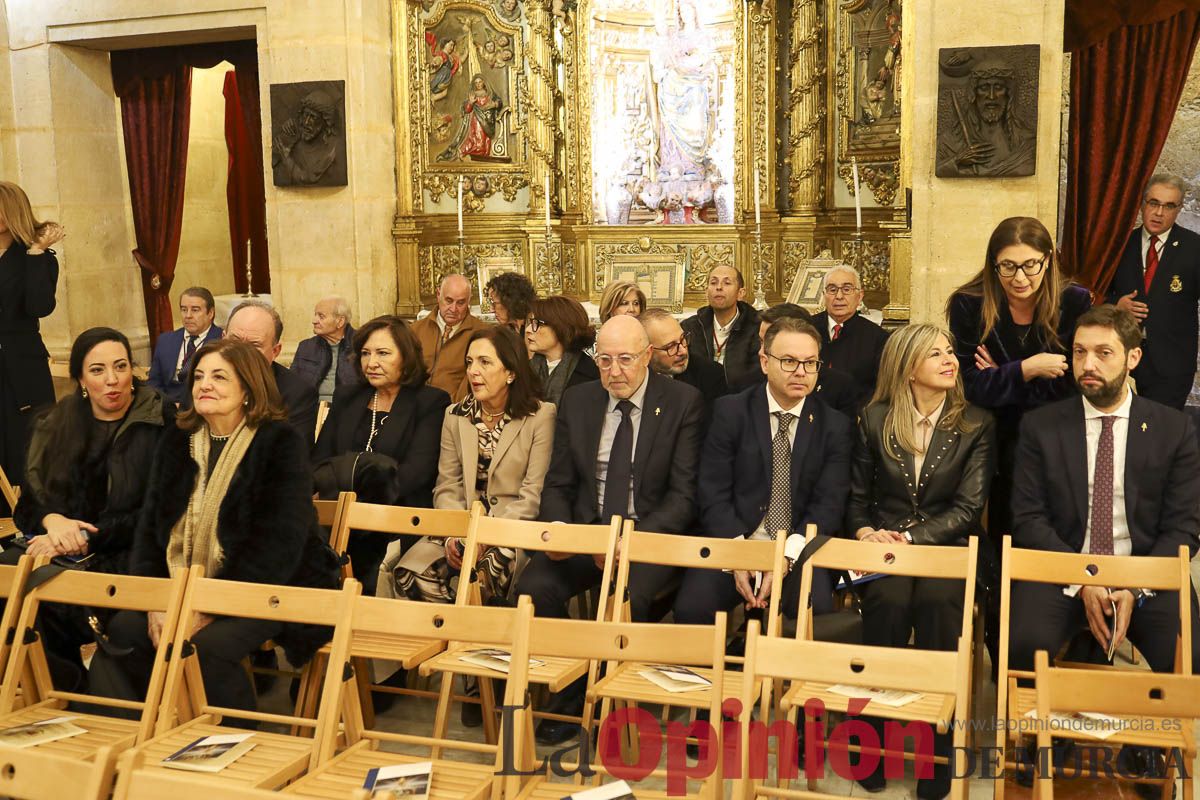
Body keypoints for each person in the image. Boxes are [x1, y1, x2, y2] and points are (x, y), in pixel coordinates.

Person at [90, 339, 339, 717]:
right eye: (199, 376)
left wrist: (207, 610)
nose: (205, 385)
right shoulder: (177, 438)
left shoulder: (278, 442)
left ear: (248, 390)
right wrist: (158, 603)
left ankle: (232, 750)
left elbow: (277, 546)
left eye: (220, 377)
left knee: (207, 646)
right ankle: (151, 737)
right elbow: (150, 528)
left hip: (266, 586)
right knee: (126, 629)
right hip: (181, 585)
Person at [1009, 306, 1200, 799]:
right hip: (1064, 569)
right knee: (1024, 638)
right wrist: (1086, 577)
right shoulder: (1041, 426)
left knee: (1190, 651)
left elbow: (1185, 526)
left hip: (1145, 574)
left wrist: (1135, 584)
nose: (1086, 364)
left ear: (1133, 357)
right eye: (1078, 352)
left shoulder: (1173, 429)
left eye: (1102, 353)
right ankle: (1045, 736)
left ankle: (1150, 742)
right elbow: (1028, 520)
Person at [517, 314, 704, 744]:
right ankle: (571, 685)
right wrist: (561, 529)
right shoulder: (579, 400)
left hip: (647, 537)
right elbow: (559, 483)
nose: (614, 371)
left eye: (624, 360)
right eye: (603, 360)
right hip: (588, 531)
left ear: (647, 356)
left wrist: (626, 542)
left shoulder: (682, 402)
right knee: (534, 587)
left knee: (624, 597)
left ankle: (604, 703)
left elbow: (683, 500)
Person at [845, 324, 995, 799]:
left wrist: (910, 538)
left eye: (951, 351)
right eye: (936, 354)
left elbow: (969, 510)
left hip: (947, 552)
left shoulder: (976, 423)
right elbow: (856, 500)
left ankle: (937, 748)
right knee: (885, 606)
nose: (951, 360)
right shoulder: (873, 418)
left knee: (938, 609)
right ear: (909, 368)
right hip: (884, 551)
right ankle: (870, 742)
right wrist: (866, 531)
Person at [2, 328, 167, 690]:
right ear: (80, 378)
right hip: (65, 551)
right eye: (97, 370)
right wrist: (54, 520)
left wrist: (84, 537)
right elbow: (28, 505)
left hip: (132, 553)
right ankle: (56, 694)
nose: (112, 380)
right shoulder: (56, 424)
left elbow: (160, 514)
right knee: (11, 575)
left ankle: (74, 697)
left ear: (132, 370)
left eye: (121, 367)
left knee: (41, 591)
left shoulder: (162, 422)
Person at [677, 316, 852, 628]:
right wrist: (739, 554)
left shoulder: (834, 426)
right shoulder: (730, 411)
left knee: (815, 611)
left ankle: (786, 679)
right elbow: (712, 491)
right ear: (764, 361)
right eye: (788, 361)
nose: (801, 371)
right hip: (733, 539)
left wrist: (784, 558)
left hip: (796, 547)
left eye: (810, 363)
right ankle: (711, 677)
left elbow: (828, 504)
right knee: (693, 608)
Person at [384, 326, 555, 606]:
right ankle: (452, 638)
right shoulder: (456, 414)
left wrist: (486, 535)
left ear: (511, 372)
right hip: (460, 526)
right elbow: (447, 484)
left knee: (489, 571)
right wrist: (455, 534)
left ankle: (485, 644)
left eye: (485, 362)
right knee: (410, 574)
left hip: (509, 530)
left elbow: (533, 494)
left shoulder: (540, 416)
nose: (473, 371)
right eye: (469, 362)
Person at [946, 217, 1090, 542]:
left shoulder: (1074, 301)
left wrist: (1001, 374)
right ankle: (1001, 585)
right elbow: (968, 386)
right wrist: (1029, 368)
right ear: (993, 264)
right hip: (995, 434)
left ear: (1048, 259)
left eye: (1030, 265)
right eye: (1007, 266)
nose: (1019, 277)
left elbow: (1070, 386)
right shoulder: (969, 304)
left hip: (1057, 433)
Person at [313, 316, 451, 592]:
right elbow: (319, 462)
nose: (371, 363)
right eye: (365, 353)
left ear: (407, 357)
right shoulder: (348, 396)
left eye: (383, 353)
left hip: (397, 518)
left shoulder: (430, 401)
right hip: (340, 515)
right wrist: (368, 474)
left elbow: (416, 472)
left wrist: (352, 477)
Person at [1106, 173, 1200, 409]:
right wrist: (1116, 306)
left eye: (1169, 206)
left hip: (1171, 366)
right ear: (1142, 204)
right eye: (1154, 203)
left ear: (1179, 209)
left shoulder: (1194, 248)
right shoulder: (1118, 244)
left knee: (1160, 437)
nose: (1159, 213)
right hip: (1121, 360)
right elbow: (1094, 293)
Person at [0, 181, 62, 507]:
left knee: (28, 444)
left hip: (24, 366)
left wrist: (36, 253)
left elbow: (39, 307)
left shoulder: (36, 258)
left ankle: (35, 517)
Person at [733, 303, 859, 419]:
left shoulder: (839, 389)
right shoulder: (744, 386)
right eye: (761, 341)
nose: (761, 351)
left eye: (769, 342)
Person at [225, 300, 319, 445]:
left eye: (254, 345)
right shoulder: (201, 380)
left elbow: (294, 458)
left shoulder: (297, 394)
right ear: (223, 338)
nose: (241, 352)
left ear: (275, 351)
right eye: (234, 340)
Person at [935, 59, 1035, 178]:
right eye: (984, 88)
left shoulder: (1026, 142)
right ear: (974, 94)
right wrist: (957, 161)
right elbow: (938, 170)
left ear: (1008, 94)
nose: (991, 96)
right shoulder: (949, 142)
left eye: (998, 87)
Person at [812, 265, 889, 407]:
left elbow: (880, 389)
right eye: (832, 290)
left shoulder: (877, 338)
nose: (839, 296)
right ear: (824, 296)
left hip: (855, 414)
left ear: (859, 296)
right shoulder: (807, 329)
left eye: (847, 289)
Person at [639, 308, 727, 427]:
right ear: (647, 352)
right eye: (670, 346)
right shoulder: (631, 376)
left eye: (682, 339)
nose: (682, 351)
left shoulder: (711, 375)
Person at [410, 274, 490, 402]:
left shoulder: (482, 334)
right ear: (438, 295)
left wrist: (453, 409)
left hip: (454, 410)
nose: (453, 309)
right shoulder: (415, 330)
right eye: (448, 300)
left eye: (461, 303)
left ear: (469, 301)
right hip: (415, 406)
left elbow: (477, 379)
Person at [681, 265, 761, 388]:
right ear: (706, 291)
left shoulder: (756, 327)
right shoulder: (690, 327)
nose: (718, 287)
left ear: (740, 293)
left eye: (727, 283)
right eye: (713, 283)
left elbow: (757, 375)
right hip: (699, 399)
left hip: (741, 399)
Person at [147, 287, 222, 405]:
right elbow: (154, 383)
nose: (188, 316)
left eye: (195, 310)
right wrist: (167, 406)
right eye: (184, 309)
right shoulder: (165, 340)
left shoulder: (221, 341)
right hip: (166, 410)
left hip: (201, 408)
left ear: (210, 313)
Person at [525, 295, 598, 405]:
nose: (528, 330)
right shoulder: (526, 370)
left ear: (560, 328)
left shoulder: (589, 374)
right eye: (530, 323)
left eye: (536, 324)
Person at [292, 295, 357, 403]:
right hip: (312, 409)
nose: (314, 321)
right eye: (315, 315)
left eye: (321, 316)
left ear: (340, 322)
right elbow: (293, 385)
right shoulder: (306, 347)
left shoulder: (361, 345)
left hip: (348, 409)